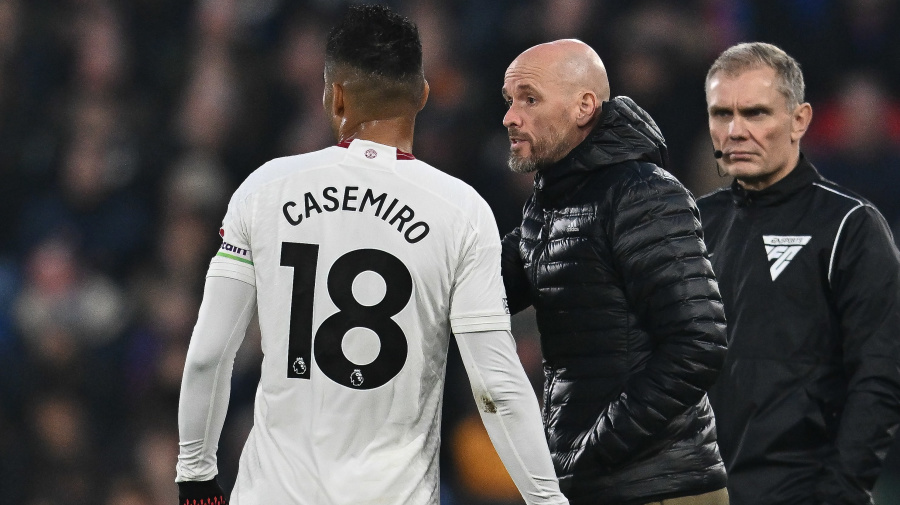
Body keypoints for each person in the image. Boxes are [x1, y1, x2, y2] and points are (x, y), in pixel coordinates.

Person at [174, 5, 569, 505]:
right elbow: (498, 385)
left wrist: (196, 473)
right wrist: (547, 500)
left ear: (334, 96)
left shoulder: (265, 189)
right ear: (422, 95)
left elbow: (210, 354)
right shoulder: (460, 211)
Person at [500, 39, 729, 505]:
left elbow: (699, 343)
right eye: (510, 102)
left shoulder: (642, 193)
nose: (510, 118)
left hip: (659, 487)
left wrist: (599, 447)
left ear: (584, 106)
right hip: (600, 483)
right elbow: (478, 284)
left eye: (529, 99)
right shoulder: (550, 204)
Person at [698, 42, 900, 505]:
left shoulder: (850, 226)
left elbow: (881, 375)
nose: (735, 131)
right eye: (721, 114)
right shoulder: (693, 225)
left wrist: (840, 492)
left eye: (755, 113)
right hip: (701, 492)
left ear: (800, 120)